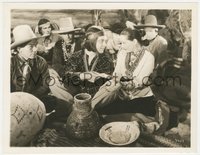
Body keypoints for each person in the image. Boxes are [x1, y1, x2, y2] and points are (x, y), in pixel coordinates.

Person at [92, 28, 170, 134]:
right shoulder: (122, 53)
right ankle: (89, 107)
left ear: (134, 41)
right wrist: (114, 81)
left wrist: (119, 84)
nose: (121, 46)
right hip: (122, 93)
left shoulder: (149, 57)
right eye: (120, 43)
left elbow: (139, 82)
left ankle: (88, 109)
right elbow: (116, 73)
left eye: (124, 43)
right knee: (106, 94)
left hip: (139, 96)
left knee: (108, 114)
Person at [11, 25, 72, 125]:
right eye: (31, 47)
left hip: (37, 98)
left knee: (62, 104)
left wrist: (32, 98)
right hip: (14, 102)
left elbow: (45, 84)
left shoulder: (40, 62)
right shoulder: (10, 64)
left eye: (35, 45)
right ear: (19, 49)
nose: (35, 49)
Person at [62, 25, 114, 97]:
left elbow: (108, 83)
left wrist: (106, 78)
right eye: (101, 41)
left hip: (97, 98)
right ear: (92, 41)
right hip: (76, 97)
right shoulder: (76, 57)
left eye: (105, 41)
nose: (105, 45)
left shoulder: (106, 59)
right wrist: (84, 76)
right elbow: (66, 78)